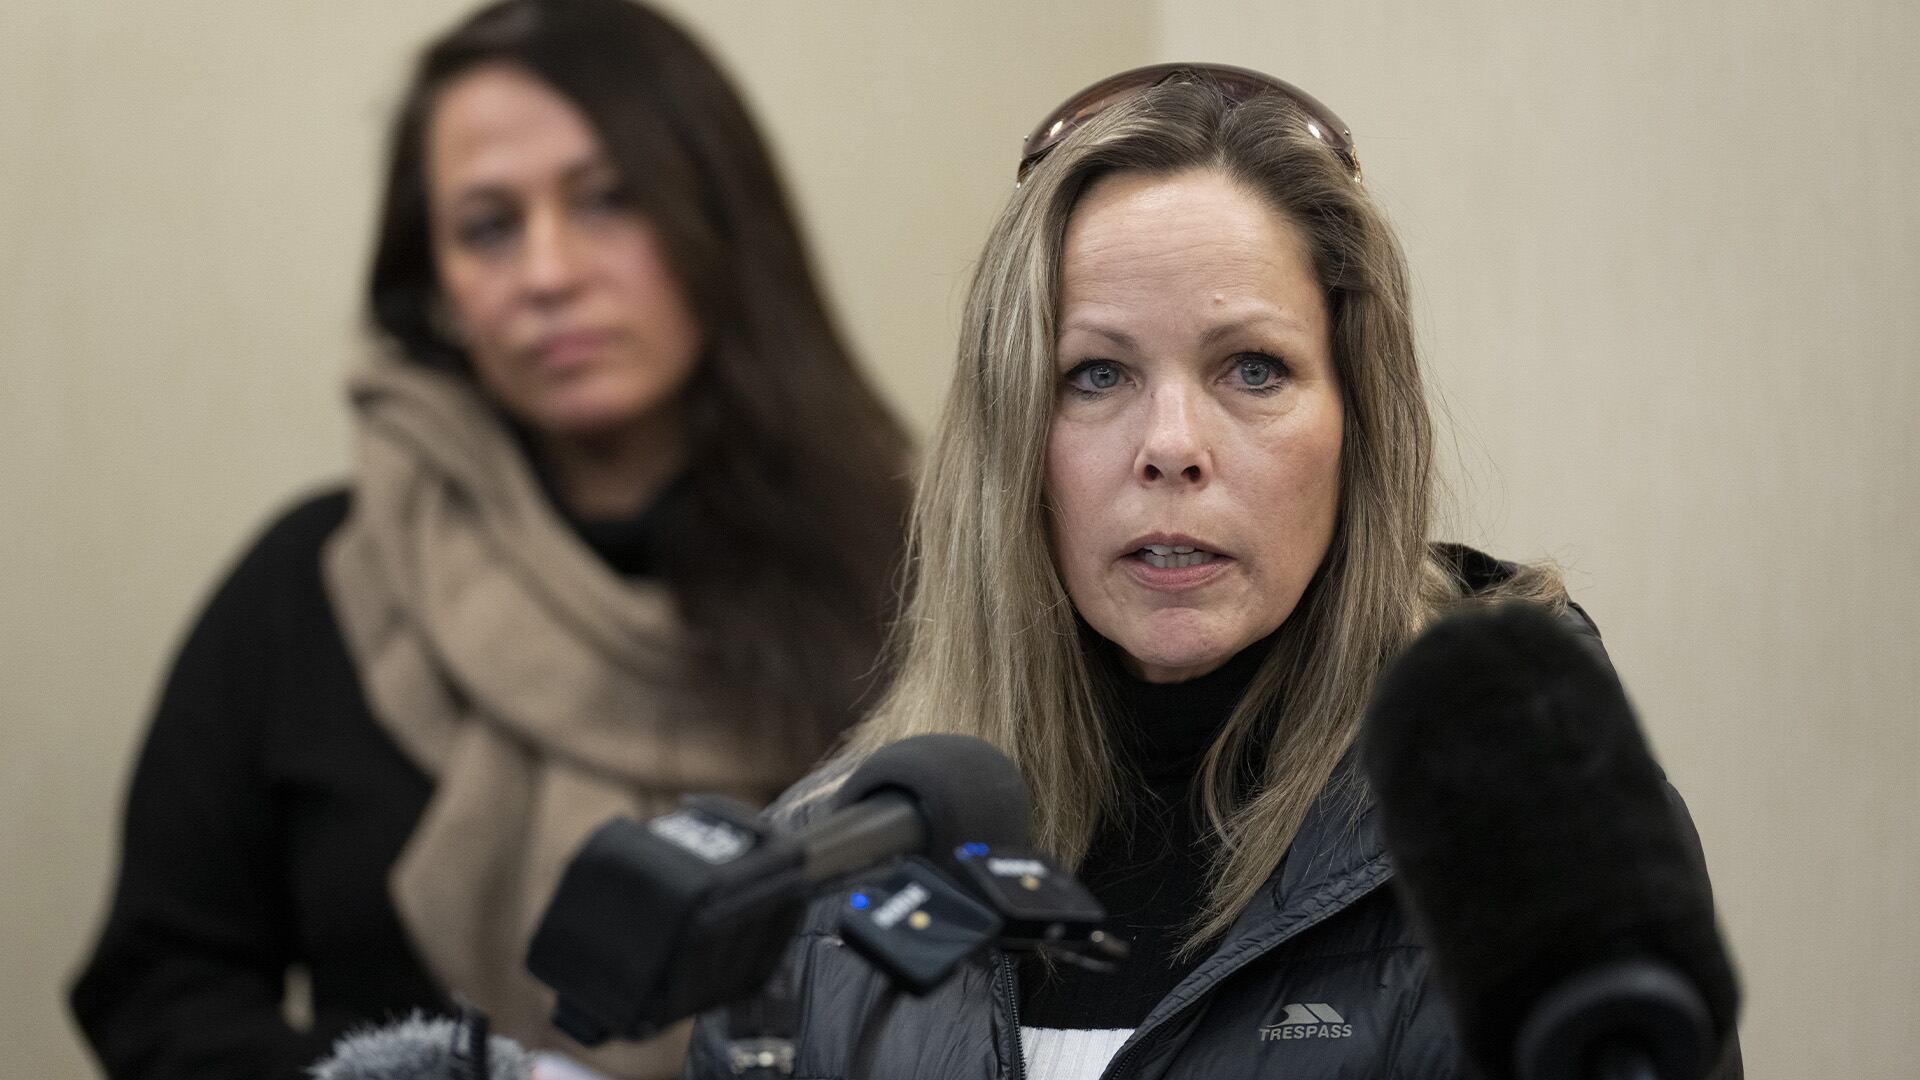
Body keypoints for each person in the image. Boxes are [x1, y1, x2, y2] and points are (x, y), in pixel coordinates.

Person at [683, 66, 1741, 1079]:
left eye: (1253, 369)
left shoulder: (1537, 838)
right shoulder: (825, 876)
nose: (1172, 445)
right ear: (1014, 441)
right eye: (1097, 374)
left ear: (1359, 427)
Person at [69, 1, 911, 1078]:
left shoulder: (904, 577)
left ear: (721, 227)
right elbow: (157, 994)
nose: (547, 272)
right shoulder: (313, 587)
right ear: (437, 290)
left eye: (609, 200)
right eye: (488, 227)